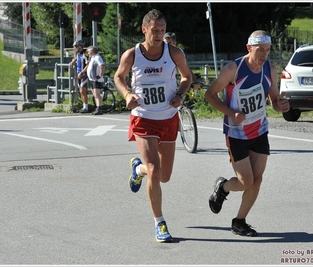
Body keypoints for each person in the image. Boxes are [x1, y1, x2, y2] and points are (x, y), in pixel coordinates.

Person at [113, 9, 192, 243]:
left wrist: (180, 94)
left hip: (168, 117)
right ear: (144, 29)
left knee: (164, 176)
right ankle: (160, 223)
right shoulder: (132, 55)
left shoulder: (174, 53)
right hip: (143, 117)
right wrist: (127, 94)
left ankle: (138, 169)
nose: (159, 35)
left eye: (162, 30)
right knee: (155, 172)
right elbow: (118, 76)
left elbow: (187, 77)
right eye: (155, 30)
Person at [205, 30, 290, 237]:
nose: (264, 54)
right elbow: (210, 94)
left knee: (257, 180)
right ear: (249, 48)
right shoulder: (233, 69)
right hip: (237, 134)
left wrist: (281, 105)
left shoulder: (270, 69)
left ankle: (239, 221)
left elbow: (274, 99)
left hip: (260, 129)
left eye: (268, 50)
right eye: (260, 49)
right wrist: (231, 112)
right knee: (245, 181)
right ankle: (223, 188)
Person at [69, 40, 89, 113]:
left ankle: (86, 107)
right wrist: (73, 62)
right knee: (81, 91)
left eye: (75, 47)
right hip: (78, 73)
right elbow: (77, 57)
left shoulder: (86, 53)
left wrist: (82, 72)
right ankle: (84, 106)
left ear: (79, 47)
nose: (75, 48)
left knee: (83, 90)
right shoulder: (78, 53)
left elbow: (88, 64)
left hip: (84, 74)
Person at [86, 45, 106, 115]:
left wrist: (99, 75)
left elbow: (102, 66)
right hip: (92, 79)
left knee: (97, 94)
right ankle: (97, 108)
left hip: (96, 79)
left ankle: (99, 108)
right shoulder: (92, 58)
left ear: (92, 51)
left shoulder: (97, 57)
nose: (88, 53)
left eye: (88, 51)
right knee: (95, 94)